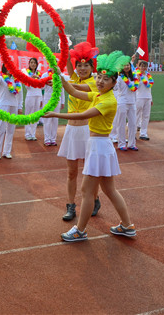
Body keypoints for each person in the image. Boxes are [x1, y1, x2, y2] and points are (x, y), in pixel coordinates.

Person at [43, 51, 136, 242]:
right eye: (99, 77)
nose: (101, 81)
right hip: (100, 147)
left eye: (106, 79)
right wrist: (60, 78)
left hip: (99, 147)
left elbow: (82, 116)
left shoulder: (108, 101)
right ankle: (127, 226)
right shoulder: (98, 95)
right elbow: (74, 91)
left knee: (87, 192)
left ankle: (80, 230)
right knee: (109, 190)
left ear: (114, 83)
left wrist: (56, 115)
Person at [57, 42, 101, 221]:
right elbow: (67, 60)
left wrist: (59, 78)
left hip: (87, 131)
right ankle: (70, 206)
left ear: (92, 67)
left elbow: (73, 89)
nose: (82, 69)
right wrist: (64, 47)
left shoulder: (94, 83)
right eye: (80, 65)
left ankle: (94, 199)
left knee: (89, 171)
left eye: (86, 66)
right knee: (71, 172)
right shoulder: (74, 78)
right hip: (71, 131)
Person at [0, 58, 23, 159]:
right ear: (5, 68)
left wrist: (20, 107)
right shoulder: (2, 79)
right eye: (7, 67)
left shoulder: (17, 80)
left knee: (11, 130)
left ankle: (7, 151)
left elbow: (20, 95)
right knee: (0, 128)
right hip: (3, 105)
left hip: (14, 105)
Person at [112, 60, 138, 151]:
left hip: (132, 102)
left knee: (133, 123)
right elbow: (115, 88)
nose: (126, 67)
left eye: (128, 65)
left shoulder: (134, 77)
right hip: (122, 102)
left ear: (130, 66)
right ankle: (121, 143)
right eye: (124, 65)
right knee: (121, 123)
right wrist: (113, 80)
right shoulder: (119, 77)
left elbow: (134, 88)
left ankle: (132, 144)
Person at [132, 55, 153, 141]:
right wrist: (138, 79)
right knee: (136, 116)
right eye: (142, 66)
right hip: (139, 97)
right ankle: (132, 133)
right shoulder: (136, 75)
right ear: (138, 66)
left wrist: (151, 98)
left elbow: (149, 88)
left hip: (147, 97)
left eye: (145, 66)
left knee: (146, 116)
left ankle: (143, 133)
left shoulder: (148, 76)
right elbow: (134, 87)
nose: (143, 67)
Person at [41, 73, 64, 146]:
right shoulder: (45, 75)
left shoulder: (60, 75)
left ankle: (53, 139)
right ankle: (47, 139)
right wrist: (46, 82)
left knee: (55, 120)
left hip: (57, 99)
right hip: (48, 99)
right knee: (47, 120)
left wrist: (63, 101)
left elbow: (62, 89)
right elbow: (41, 87)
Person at [23, 58, 43, 141]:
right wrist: (31, 78)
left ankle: (33, 133)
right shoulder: (26, 73)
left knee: (35, 115)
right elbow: (26, 86)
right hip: (30, 95)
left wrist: (38, 78)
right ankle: (27, 133)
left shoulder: (39, 74)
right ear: (29, 64)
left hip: (38, 95)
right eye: (31, 62)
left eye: (34, 63)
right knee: (28, 114)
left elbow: (42, 87)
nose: (33, 64)